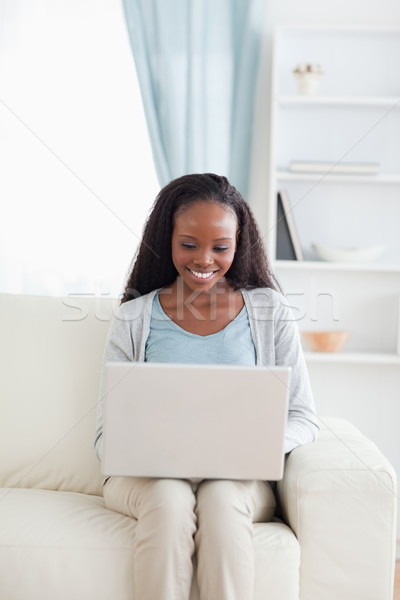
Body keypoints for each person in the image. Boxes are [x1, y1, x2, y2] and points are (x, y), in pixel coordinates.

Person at [94, 173, 318, 600]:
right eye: (189, 244)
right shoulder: (133, 317)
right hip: (147, 477)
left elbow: (304, 416)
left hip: (237, 478)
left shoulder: (270, 311)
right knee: (169, 499)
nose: (205, 260)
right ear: (167, 239)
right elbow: (107, 436)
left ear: (239, 244)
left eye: (221, 247)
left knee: (219, 499)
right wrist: (162, 457)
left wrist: (254, 447)